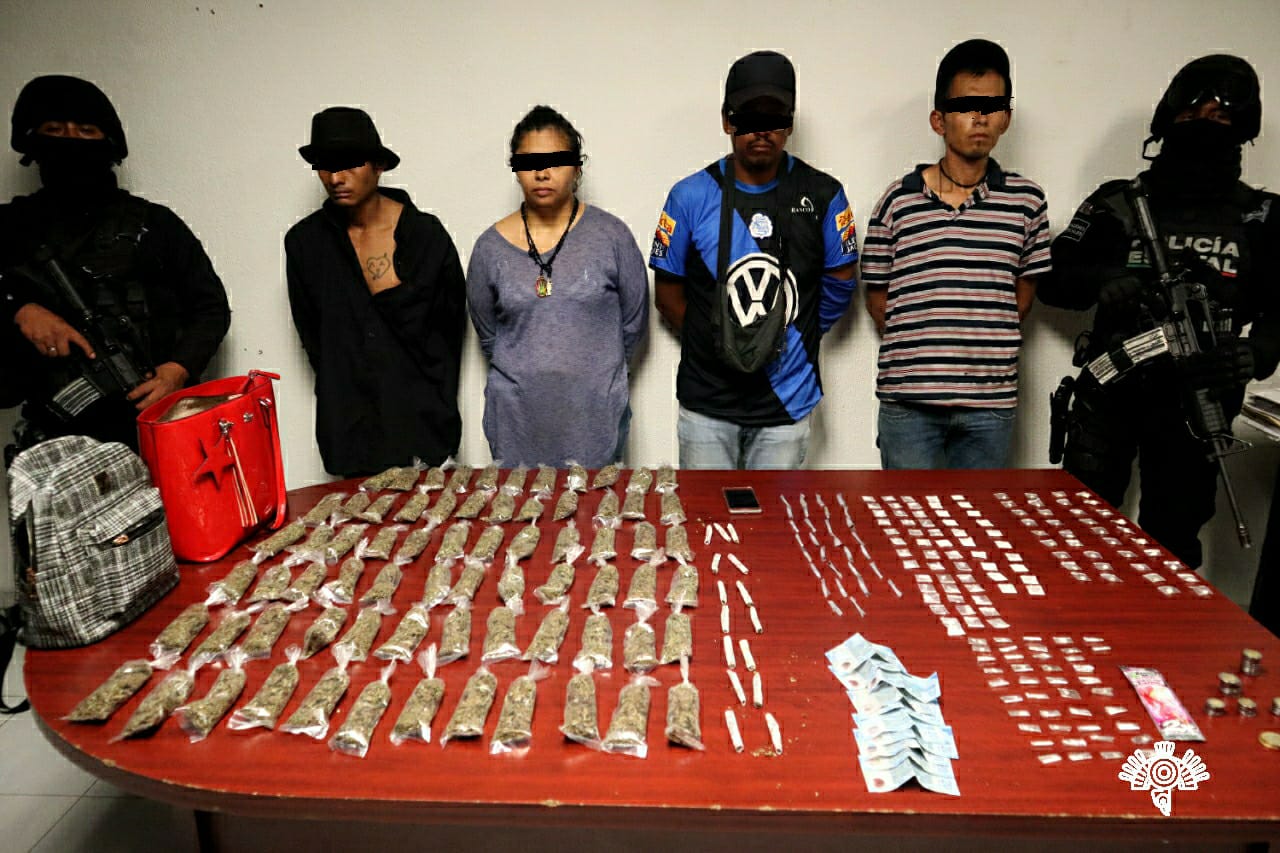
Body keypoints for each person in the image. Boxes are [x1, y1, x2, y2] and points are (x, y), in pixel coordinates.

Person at [1040, 54, 1280, 569]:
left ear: (1242, 128)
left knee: (1172, 546)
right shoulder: (1117, 203)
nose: (1204, 126)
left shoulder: (1262, 217)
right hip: (1112, 392)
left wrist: (1257, 353)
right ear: (1168, 120)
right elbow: (1053, 278)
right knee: (1079, 535)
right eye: (1192, 115)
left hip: (1198, 401)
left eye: (1220, 117)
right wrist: (1104, 282)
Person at [0, 75, 230, 453]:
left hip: (152, 421)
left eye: (85, 130)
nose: (70, 141)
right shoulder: (11, 226)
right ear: (31, 141)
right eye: (54, 130)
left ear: (107, 142)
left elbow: (210, 308)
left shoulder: (154, 225)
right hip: (53, 439)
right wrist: (20, 310)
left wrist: (177, 370)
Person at [651, 50, 858, 469]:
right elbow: (668, 296)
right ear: (727, 121)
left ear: (790, 123)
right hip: (707, 403)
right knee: (705, 512)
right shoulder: (690, 196)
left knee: (776, 514)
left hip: (788, 401)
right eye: (748, 118)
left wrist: (791, 336)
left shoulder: (823, 194)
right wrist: (719, 339)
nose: (761, 131)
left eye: (774, 118)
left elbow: (840, 282)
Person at [864, 39, 1050, 470]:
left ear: (1006, 118)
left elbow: (1023, 294)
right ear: (939, 120)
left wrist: (981, 341)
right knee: (906, 512)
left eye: (992, 106)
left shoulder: (1027, 202)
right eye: (965, 106)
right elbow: (877, 296)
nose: (979, 117)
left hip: (990, 404)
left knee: (980, 513)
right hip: (909, 403)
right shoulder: (897, 200)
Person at [286, 107, 466, 477]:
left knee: (437, 516)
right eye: (325, 166)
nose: (336, 178)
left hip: (425, 429)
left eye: (350, 164)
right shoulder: (305, 243)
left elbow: (452, 328)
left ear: (379, 166)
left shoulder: (424, 235)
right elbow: (314, 338)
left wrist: (437, 401)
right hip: (350, 436)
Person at [466, 106, 648, 468]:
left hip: (595, 418)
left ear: (577, 167)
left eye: (556, 161)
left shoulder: (612, 236)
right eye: (529, 162)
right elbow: (488, 335)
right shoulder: (489, 248)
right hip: (517, 422)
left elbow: (633, 322)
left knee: (598, 505)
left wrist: (594, 374)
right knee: (518, 505)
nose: (542, 173)